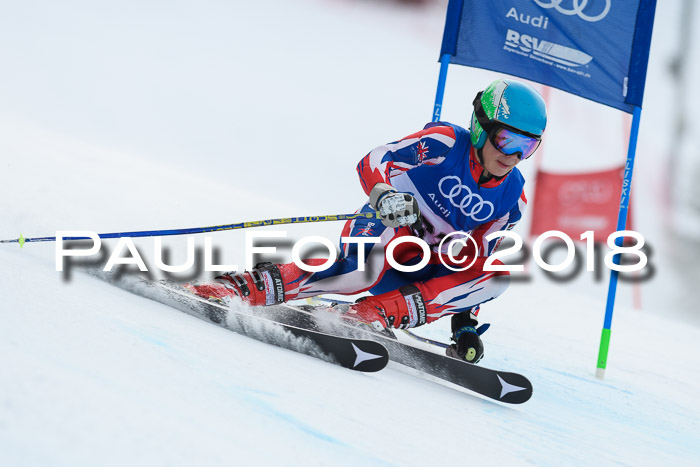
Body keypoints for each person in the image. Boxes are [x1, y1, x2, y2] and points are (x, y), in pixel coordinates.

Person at [187, 78, 547, 364]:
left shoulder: (512, 198)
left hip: (422, 268)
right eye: (506, 139)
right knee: (359, 272)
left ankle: (371, 315)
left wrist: (465, 323)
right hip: (382, 234)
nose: (513, 154)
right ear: (482, 126)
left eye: (527, 146)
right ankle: (242, 287)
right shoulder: (445, 142)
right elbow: (375, 159)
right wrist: (384, 194)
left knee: (500, 273)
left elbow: (474, 263)